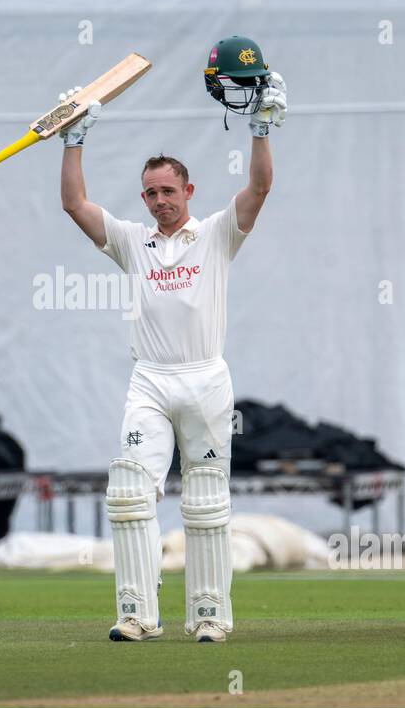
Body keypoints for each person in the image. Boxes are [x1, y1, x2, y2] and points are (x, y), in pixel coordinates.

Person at [58, 36, 285, 642]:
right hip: (150, 381)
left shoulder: (215, 235)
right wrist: (74, 139)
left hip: (206, 378)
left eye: (169, 192)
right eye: (151, 193)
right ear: (144, 198)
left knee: (206, 505)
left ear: (189, 192)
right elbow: (74, 203)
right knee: (130, 490)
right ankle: (137, 612)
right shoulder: (134, 242)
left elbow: (259, 189)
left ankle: (209, 616)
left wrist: (261, 128)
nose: (160, 202)